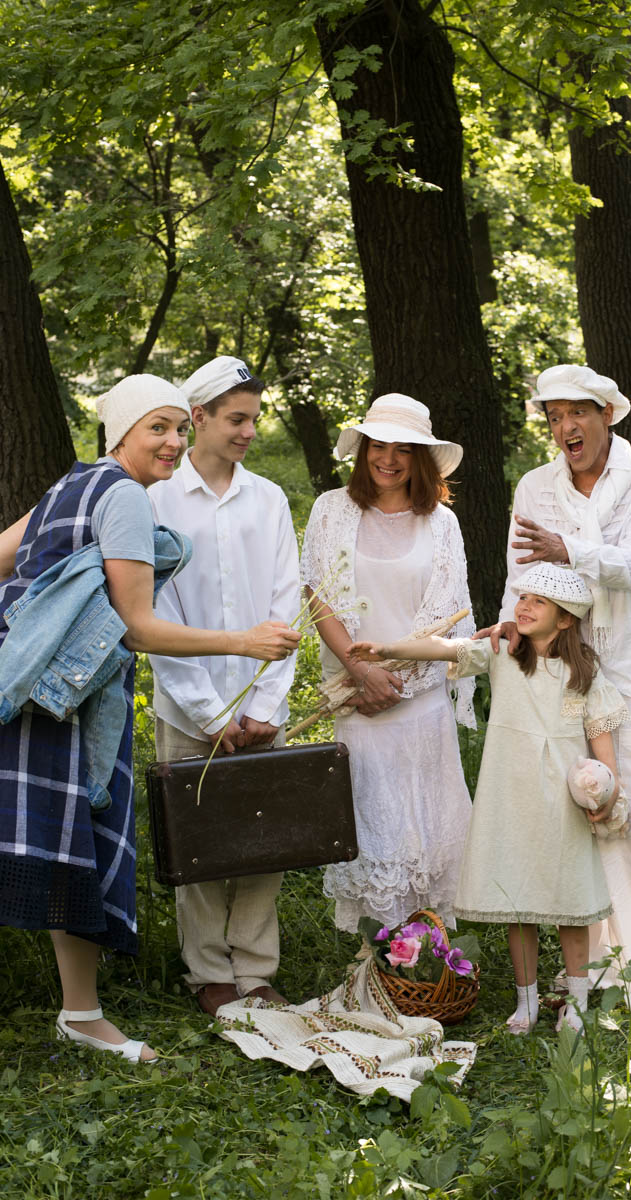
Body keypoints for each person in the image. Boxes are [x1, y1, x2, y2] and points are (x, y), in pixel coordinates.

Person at [0, 374, 300, 1062]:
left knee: (55, 847)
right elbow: (139, 627)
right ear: (122, 433)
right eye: (155, 428)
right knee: (77, 845)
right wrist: (242, 641)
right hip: (76, 704)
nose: (170, 441)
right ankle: (82, 1012)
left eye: (175, 427)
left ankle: (82, 1011)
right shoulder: (128, 498)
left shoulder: (69, 483)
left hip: (31, 694)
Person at [483, 363, 631, 1011]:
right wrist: (508, 655)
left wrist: (567, 549)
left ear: (607, 414)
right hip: (556, 670)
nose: (563, 427)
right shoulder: (533, 486)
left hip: (624, 666)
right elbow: (518, 582)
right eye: (552, 416)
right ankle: (592, 964)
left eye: (575, 413)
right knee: (572, 806)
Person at [349, 561, 627, 1034]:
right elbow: (444, 647)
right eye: (522, 598)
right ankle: (527, 1001)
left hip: (560, 803)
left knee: (568, 902)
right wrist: (387, 647)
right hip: (509, 796)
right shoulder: (502, 653)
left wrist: (608, 794)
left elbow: (602, 750)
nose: (524, 606)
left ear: (565, 619)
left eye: (539, 602)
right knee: (517, 902)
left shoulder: (584, 675)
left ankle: (577, 1004)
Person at [149, 357, 300, 1016]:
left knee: (266, 835)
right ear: (200, 417)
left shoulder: (266, 498)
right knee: (202, 831)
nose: (247, 433)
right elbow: (155, 618)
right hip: (189, 706)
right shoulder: (153, 499)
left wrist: (264, 706)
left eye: (253, 420)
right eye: (236, 419)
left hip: (262, 701)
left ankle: (256, 966)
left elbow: (286, 600)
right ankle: (209, 968)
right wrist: (212, 714)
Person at [300, 394, 474, 933]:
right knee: (375, 828)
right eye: (379, 445)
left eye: (404, 449)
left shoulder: (441, 523)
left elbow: (450, 613)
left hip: (417, 703)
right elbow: (316, 592)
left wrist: (397, 679)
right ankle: (380, 954)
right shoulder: (331, 509)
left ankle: (431, 957)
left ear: (422, 458)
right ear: (364, 450)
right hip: (357, 700)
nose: (389, 459)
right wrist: (362, 674)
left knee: (425, 828)